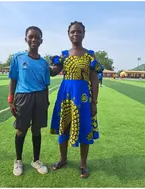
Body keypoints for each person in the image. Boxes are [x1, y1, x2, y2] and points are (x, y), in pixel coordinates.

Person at [49, 21, 101, 178]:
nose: (75, 34)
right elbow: (53, 72)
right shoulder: (64, 54)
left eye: (78, 32)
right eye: (72, 32)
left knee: (85, 127)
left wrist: (94, 102)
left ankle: (83, 164)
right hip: (65, 95)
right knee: (63, 126)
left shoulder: (90, 54)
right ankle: (63, 159)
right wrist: (42, 64)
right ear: (68, 34)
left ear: (84, 34)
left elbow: (94, 79)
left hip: (84, 96)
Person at [8, 26, 50, 176]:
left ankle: (36, 160)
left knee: (36, 129)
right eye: (31, 37)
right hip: (23, 97)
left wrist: (46, 101)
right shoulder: (18, 57)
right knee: (21, 129)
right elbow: (13, 78)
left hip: (40, 98)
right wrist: (11, 99)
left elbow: (46, 84)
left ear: (41, 41)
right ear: (26, 39)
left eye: (37, 37)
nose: (34, 39)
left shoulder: (44, 63)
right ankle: (18, 160)